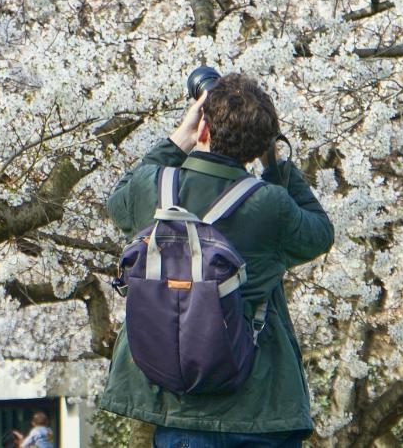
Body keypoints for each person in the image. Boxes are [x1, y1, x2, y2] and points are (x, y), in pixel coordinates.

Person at [99, 72, 334, 448]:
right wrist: (277, 165)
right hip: (256, 404)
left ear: (203, 128)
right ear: (259, 144)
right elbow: (320, 233)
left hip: (179, 403)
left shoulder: (153, 187)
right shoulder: (270, 205)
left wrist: (179, 138)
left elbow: (117, 199)